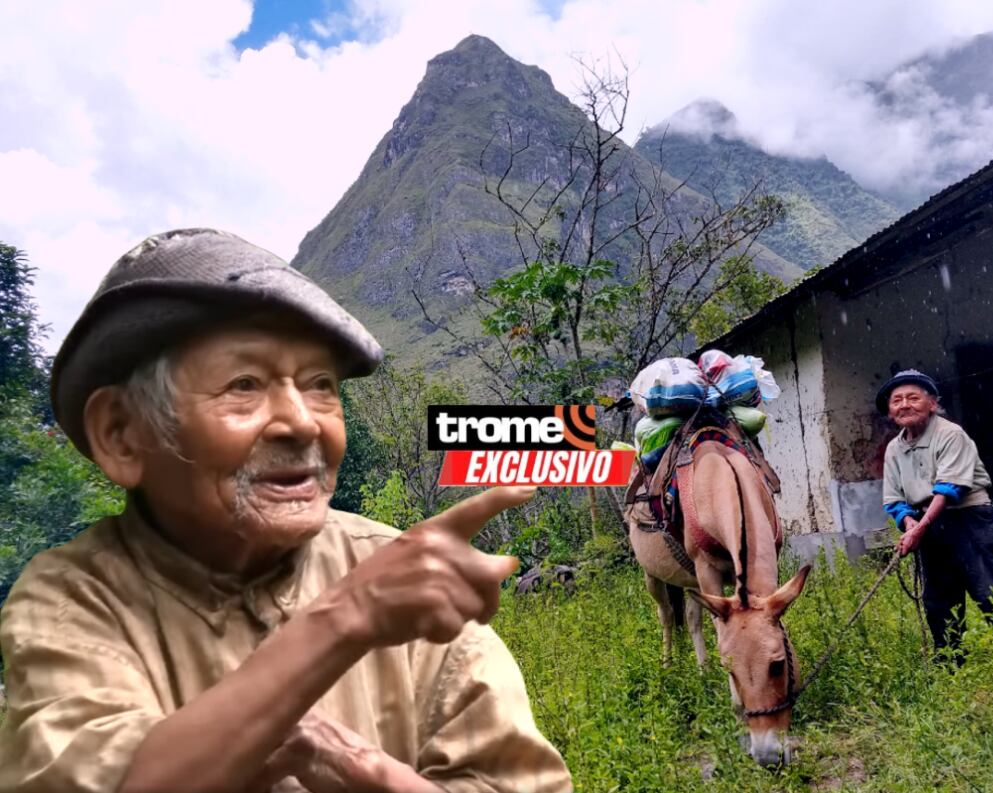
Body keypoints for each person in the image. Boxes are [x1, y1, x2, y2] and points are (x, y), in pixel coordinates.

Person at [0, 229, 572, 793]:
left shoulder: (399, 577)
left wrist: (361, 770)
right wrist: (346, 618)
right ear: (121, 434)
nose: (302, 422)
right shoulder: (73, 598)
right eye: (243, 385)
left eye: (320, 385)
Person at [878, 369, 993, 663]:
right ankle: (951, 665)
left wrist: (919, 528)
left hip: (968, 518)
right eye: (897, 400)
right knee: (939, 600)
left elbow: (949, 489)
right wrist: (909, 523)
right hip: (927, 525)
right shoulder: (894, 449)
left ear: (932, 403)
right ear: (890, 411)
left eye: (913, 398)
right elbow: (893, 499)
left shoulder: (950, 434)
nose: (904, 405)